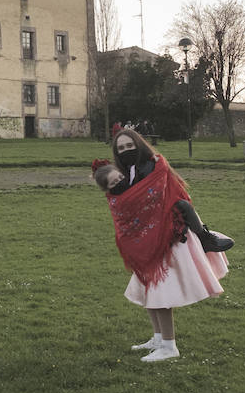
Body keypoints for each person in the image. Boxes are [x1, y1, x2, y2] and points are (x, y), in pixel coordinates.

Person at [92, 128, 232, 362]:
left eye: (130, 146)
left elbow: (159, 197)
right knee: (149, 289)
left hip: (170, 237)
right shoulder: (127, 172)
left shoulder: (152, 166)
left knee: (160, 291)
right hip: (147, 241)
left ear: (139, 144)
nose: (127, 151)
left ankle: (169, 346)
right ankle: (158, 338)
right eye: (121, 148)